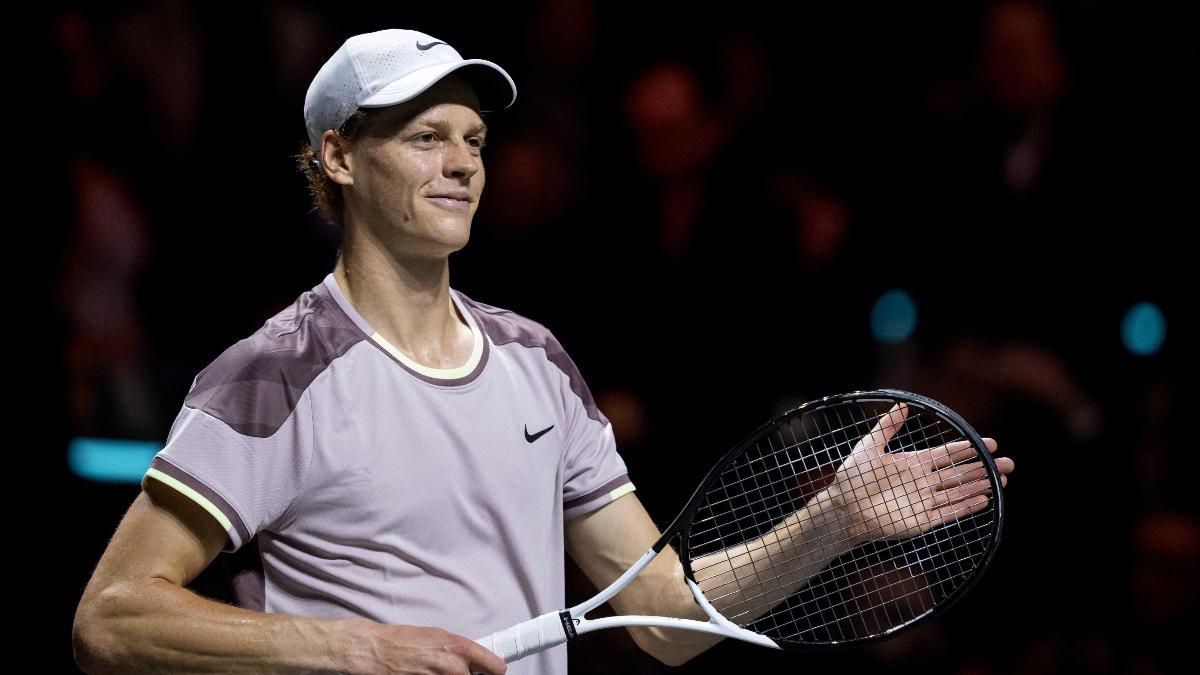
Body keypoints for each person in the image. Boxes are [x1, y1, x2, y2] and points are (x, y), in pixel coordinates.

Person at [73, 28, 1015, 675]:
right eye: (425, 136)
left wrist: (832, 525)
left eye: (474, 138)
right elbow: (110, 617)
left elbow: (665, 623)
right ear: (342, 158)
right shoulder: (273, 373)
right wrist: (357, 648)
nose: (464, 162)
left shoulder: (535, 360)